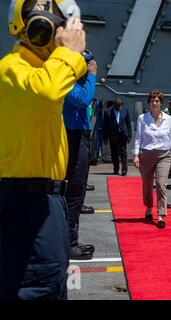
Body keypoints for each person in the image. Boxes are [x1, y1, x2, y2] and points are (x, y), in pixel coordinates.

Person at [0, 0, 86, 300]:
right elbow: (47, 92)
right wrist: (68, 55)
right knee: (37, 289)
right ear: (41, 28)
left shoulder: (38, 72)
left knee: (49, 284)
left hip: (44, 202)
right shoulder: (12, 70)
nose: (68, 34)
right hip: (27, 206)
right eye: (61, 26)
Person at [63, 50, 97, 260]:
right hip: (72, 137)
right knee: (74, 190)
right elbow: (84, 100)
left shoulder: (77, 83)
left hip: (80, 136)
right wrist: (92, 75)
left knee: (79, 188)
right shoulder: (67, 82)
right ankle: (69, 242)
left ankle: (70, 239)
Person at [133, 91, 171, 229]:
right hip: (146, 155)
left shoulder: (168, 119)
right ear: (149, 103)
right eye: (152, 101)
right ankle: (148, 208)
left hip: (164, 155)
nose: (155, 103)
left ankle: (161, 214)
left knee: (160, 183)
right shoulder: (142, 118)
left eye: (157, 101)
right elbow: (138, 137)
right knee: (147, 184)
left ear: (161, 103)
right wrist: (135, 155)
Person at [103, 98, 132, 176]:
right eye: (117, 106)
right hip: (113, 135)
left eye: (120, 106)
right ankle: (116, 169)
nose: (118, 107)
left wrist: (130, 135)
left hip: (123, 135)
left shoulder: (125, 110)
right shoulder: (107, 112)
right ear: (114, 105)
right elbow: (105, 126)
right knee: (114, 153)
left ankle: (124, 170)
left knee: (123, 153)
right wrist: (105, 137)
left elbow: (128, 123)